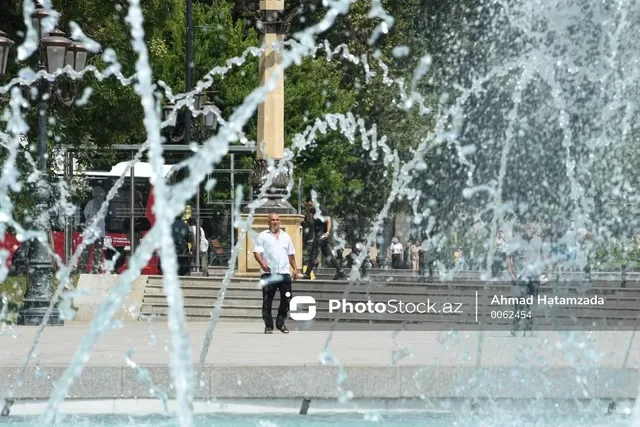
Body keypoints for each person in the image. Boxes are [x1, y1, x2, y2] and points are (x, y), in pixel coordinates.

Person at [253, 212, 300, 334]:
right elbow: (256, 252)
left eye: (277, 220)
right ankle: (268, 325)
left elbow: (291, 255)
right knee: (267, 300)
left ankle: (280, 322)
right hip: (269, 273)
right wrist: (262, 263)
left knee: (287, 298)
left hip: (284, 273)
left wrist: (295, 269)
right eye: (273, 220)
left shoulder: (286, 236)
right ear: (268, 222)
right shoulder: (262, 236)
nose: (276, 222)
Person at [507, 222, 547, 336]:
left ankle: (528, 328)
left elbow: (544, 255)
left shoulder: (538, 240)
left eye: (531, 228)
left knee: (532, 303)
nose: (530, 230)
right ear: (523, 229)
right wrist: (511, 274)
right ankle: (515, 326)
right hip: (521, 276)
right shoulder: (515, 241)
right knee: (519, 303)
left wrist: (547, 271)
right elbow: (509, 257)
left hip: (534, 276)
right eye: (527, 228)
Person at [302, 200, 346, 280]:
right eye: (308, 205)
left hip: (321, 234)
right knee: (328, 254)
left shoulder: (321, 209)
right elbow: (309, 220)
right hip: (318, 233)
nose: (309, 205)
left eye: (309, 203)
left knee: (313, 253)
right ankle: (341, 272)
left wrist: (328, 232)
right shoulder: (312, 210)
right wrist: (308, 210)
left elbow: (328, 220)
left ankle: (307, 274)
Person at [83, 186, 106, 273]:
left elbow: (86, 214)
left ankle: (83, 269)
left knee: (86, 251)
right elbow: (104, 215)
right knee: (98, 252)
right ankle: (96, 269)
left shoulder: (90, 203)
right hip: (100, 232)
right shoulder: (104, 204)